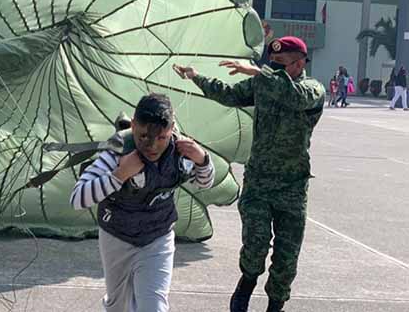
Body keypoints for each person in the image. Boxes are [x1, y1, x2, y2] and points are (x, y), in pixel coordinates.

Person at [173, 36, 325, 312]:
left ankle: (276, 303)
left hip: (292, 188)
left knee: (286, 257)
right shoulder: (263, 83)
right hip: (258, 183)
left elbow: (294, 97)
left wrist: (261, 72)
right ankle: (247, 282)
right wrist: (196, 77)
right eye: (272, 63)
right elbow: (228, 94)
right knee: (255, 245)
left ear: (299, 63)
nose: (274, 68)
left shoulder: (312, 89)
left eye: (281, 64)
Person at [70, 93, 215, 312]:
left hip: (158, 237)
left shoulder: (180, 151)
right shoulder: (118, 150)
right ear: (134, 125)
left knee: (153, 307)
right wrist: (119, 175)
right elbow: (77, 199)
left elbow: (205, 183)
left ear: (172, 129)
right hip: (117, 236)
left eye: (162, 138)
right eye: (144, 136)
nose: (152, 146)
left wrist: (202, 159)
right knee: (118, 306)